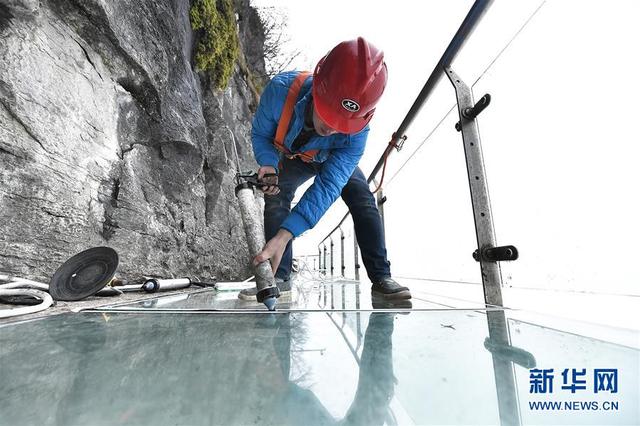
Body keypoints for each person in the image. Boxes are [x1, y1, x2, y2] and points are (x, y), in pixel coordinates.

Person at [239, 37, 411, 301]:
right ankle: (280, 276)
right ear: (318, 87)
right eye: (329, 113)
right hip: (294, 158)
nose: (332, 128)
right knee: (276, 196)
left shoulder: (357, 137)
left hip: (330, 160)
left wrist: (287, 233)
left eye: (344, 123)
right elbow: (261, 134)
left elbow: (328, 186)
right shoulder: (280, 91)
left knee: (363, 198)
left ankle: (381, 277)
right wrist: (269, 165)